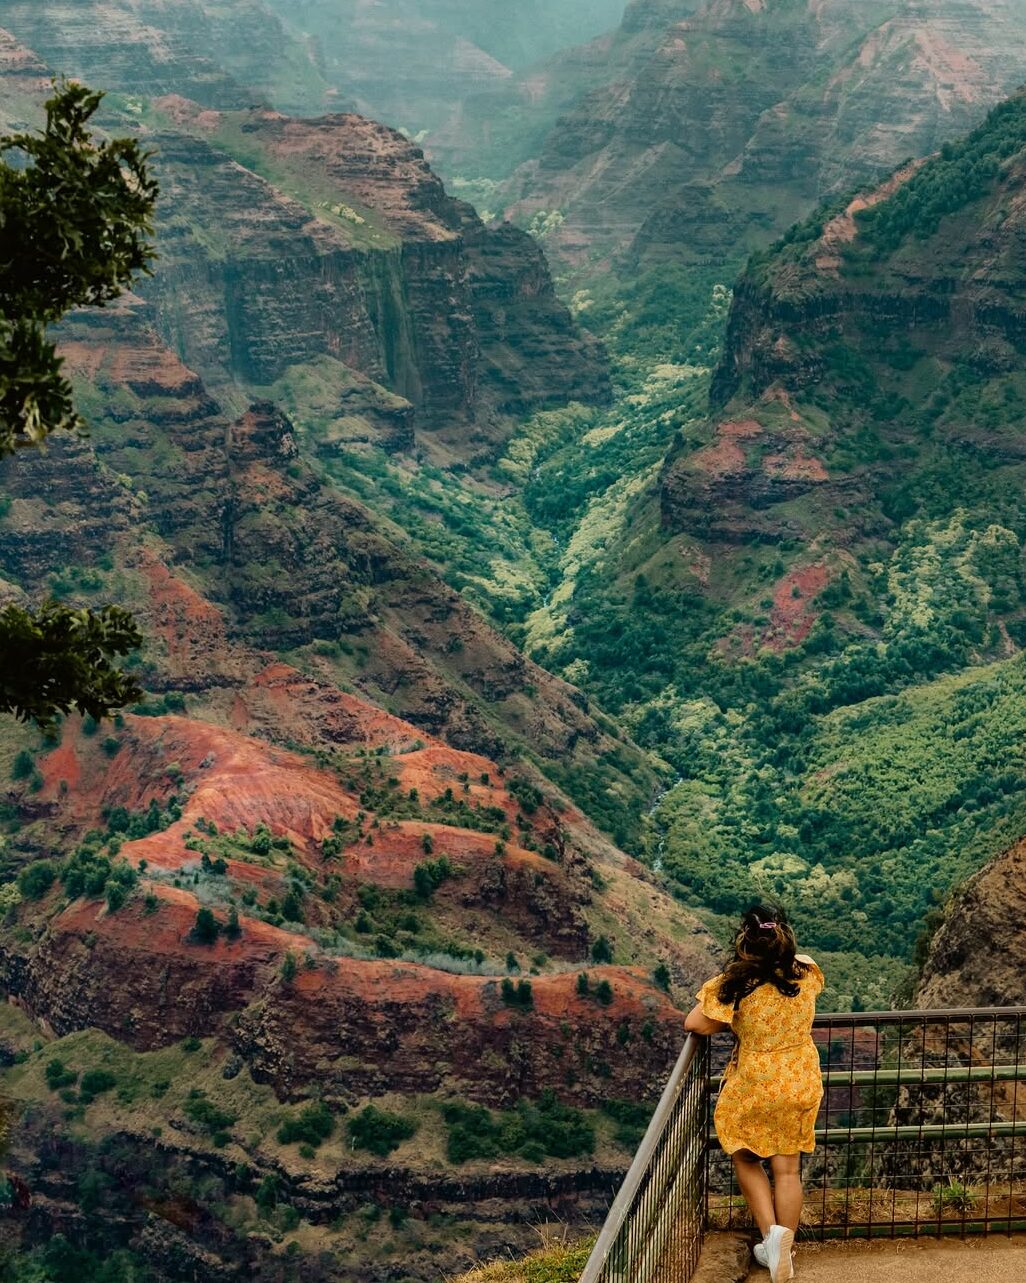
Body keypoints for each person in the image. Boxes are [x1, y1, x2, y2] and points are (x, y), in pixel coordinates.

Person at [685, 905, 824, 1283]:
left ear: (745, 943)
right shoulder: (805, 972)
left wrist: (734, 992)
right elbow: (800, 966)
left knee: (746, 1157)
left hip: (757, 1080)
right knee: (788, 1168)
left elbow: (694, 1022)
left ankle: (770, 1237)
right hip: (799, 1077)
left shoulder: (736, 985)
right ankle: (786, 1252)